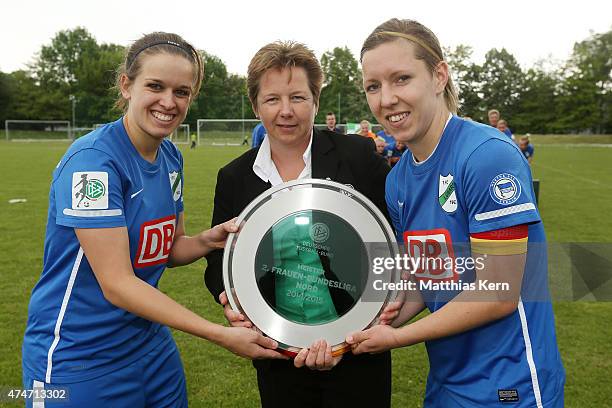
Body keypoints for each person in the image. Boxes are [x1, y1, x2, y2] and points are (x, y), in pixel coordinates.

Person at [21, 32, 284, 408]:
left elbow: (169, 248)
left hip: (148, 345)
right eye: (155, 86)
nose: (169, 102)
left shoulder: (171, 158)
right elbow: (117, 284)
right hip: (77, 358)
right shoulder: (93, 165)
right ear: (127, 85)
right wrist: (217, 333)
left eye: (182, 92)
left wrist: (209, 239)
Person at [346, 19, 565, 408]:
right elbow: (427, 278)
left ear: (439, 76)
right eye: (373, 86)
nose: (386, 99)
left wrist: (395, 338)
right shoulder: (397, 181)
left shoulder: (486, 156)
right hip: (447, 386)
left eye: (401, 79)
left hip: (510, 387)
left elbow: (498, 292)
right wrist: (355, 329)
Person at [204, 41, 392, 408]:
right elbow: (218, 261)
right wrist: (229, 301)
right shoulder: (234, 177)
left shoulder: (357, 155)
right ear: (256, 105)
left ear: (316, 101)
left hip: (358, 353)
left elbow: (390, 242)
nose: (286, 111)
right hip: (277, 354)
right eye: (272, 99)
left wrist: (358, 331)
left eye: (298, 97)